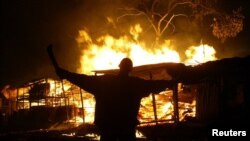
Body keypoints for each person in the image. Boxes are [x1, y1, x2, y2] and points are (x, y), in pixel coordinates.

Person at [47, 45, 174, 141]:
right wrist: (170, 83)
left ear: (119, 67)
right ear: (130, 69)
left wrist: (64, 73)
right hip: (126, 128)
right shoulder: (135, 84)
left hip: (107, 128)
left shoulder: (105, 82)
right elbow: (154, 85)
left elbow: (82, 79)